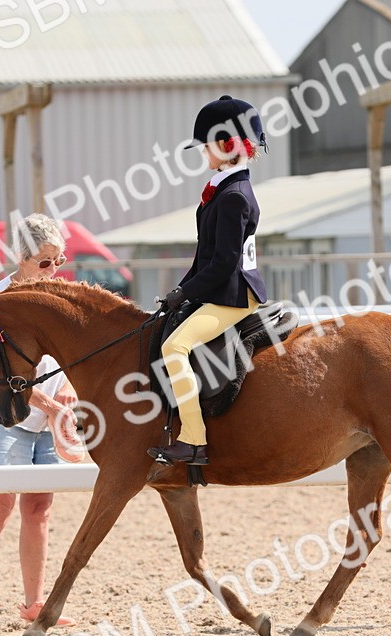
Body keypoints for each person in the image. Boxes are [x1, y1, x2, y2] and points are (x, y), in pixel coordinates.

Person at [0, 213, 75, 625]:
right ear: (20, 259)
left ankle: (35, 603)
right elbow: (8, 377)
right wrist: (54, 406)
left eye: (59, 261)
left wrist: (69, 392)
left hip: (46, 414)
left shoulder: (58, 295)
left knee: (39, 507)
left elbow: (67, 354)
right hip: (5, 415)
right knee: (0, 501)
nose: (53, 270)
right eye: (44, 262)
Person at [148, 95, 270, 466]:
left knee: (174, 348)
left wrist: (186, 292)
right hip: (220, 289)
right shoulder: (223, 190)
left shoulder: (233, 196)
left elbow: (224, 263)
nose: (203, 154)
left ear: (228, 145)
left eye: (206, 147)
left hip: (233, 295)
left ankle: (194, 441)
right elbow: (204, 257)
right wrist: (180, 293)